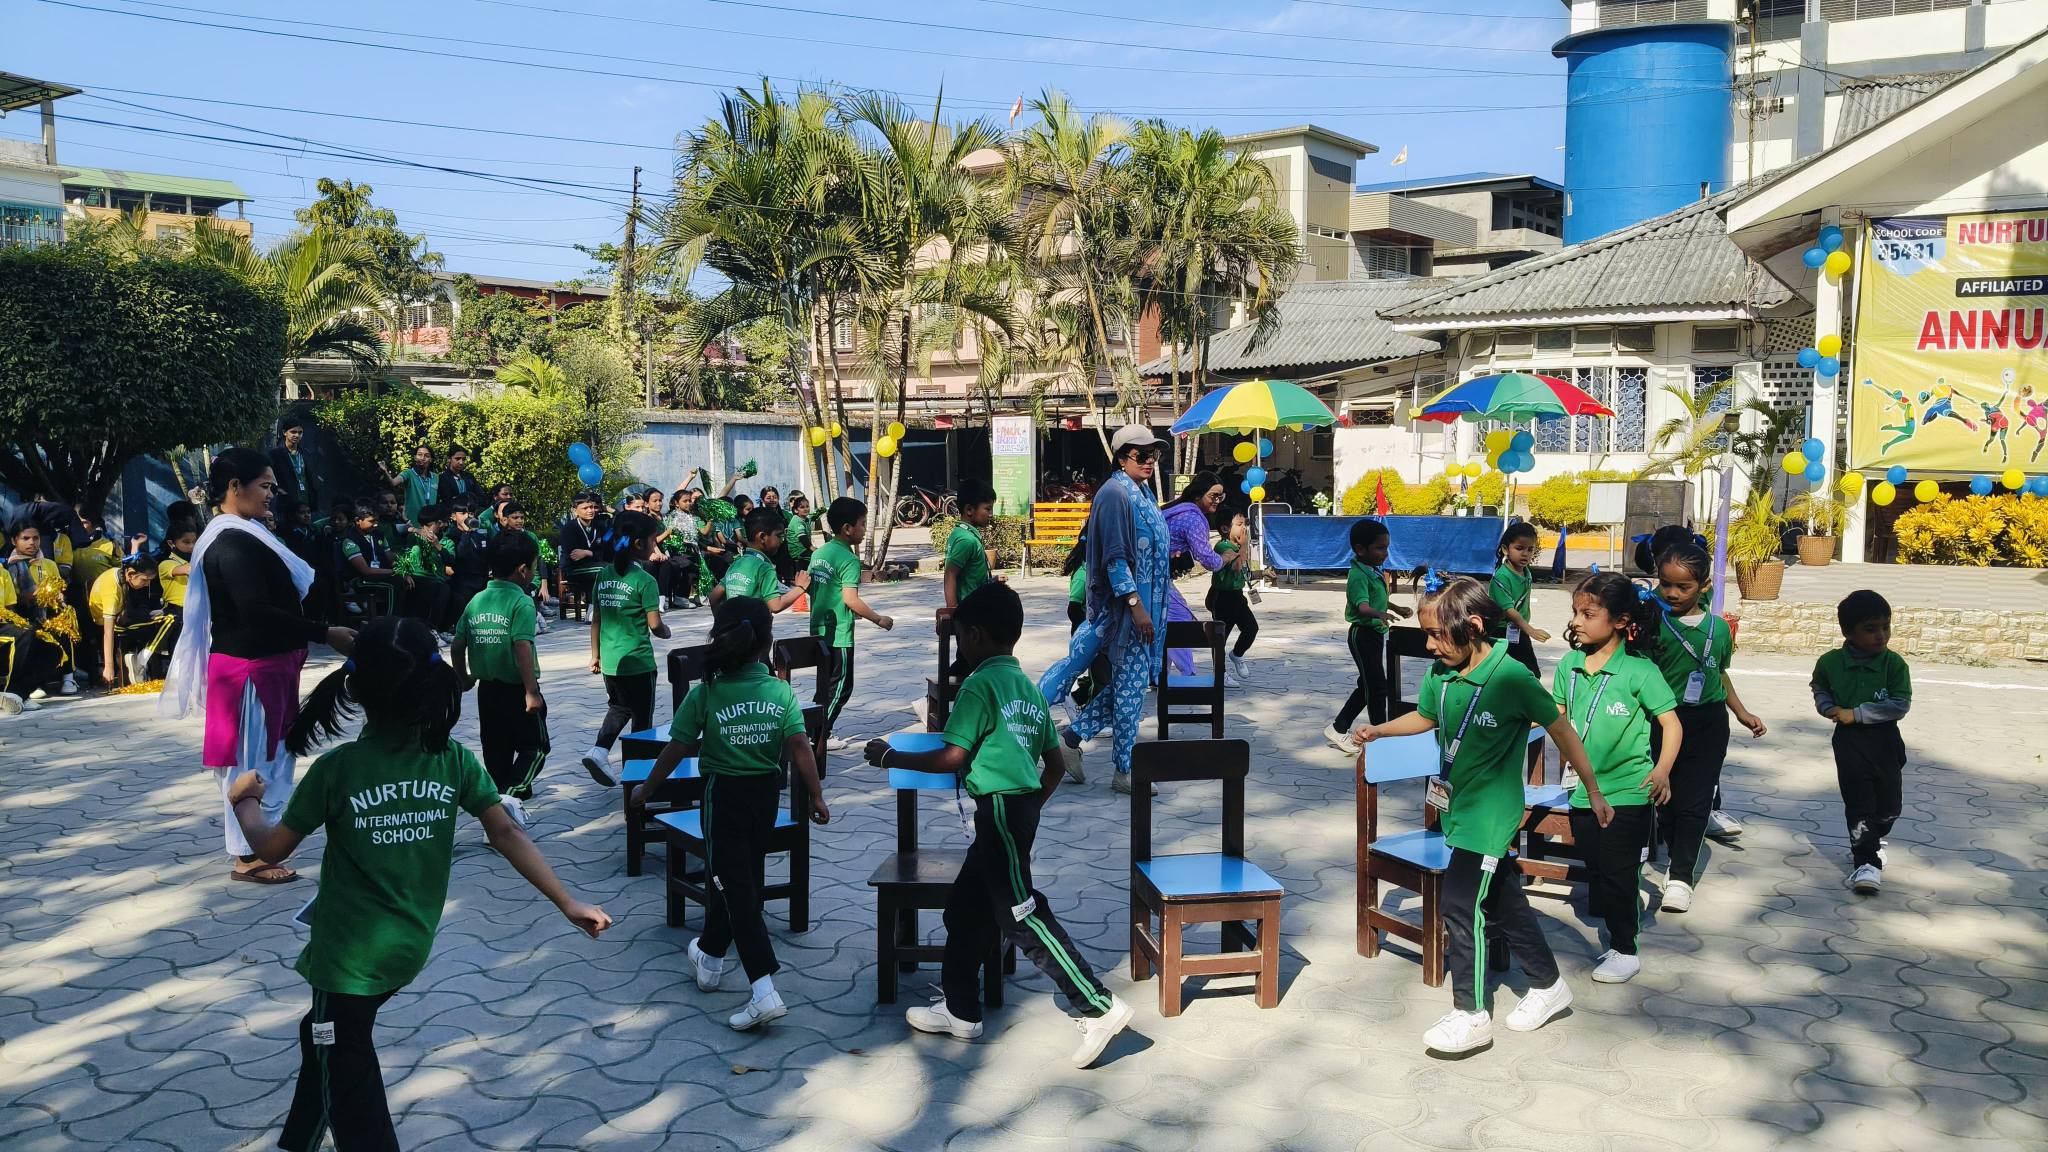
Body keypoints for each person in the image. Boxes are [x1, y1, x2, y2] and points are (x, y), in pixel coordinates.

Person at [226, 614, 609, 1152]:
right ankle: (299, 1142)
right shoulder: (452, 761)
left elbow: (270, 850)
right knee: (323, 1037)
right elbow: (506, 832)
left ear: (356, 689)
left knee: (347, 1073)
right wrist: (567, 902)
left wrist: (244, 801)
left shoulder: (339, 769)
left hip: (348, 958)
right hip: (407, 944)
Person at [864, 582, 1135, 1068]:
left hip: (1001, 812)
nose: (960, 648)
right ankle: (960, 1010)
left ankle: (1098, 1006)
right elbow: (1055, 764)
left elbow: (953, 756)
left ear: (975, 635)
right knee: (965, 910)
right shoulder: (1028, 689)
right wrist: (1030, 806)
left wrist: (890, 756)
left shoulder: (980, 685)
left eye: (961, 637)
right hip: (1014, 812)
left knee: (1021, 913)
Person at [1354, 576, 1611, 1055]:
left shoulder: (1512, 678)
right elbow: (1427, 718)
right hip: (1460, 808)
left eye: (1437, 635)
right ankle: (1549, 985)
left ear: (1472, 626)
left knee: (1459, 904)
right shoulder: (1441, 673)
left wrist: (1592, 790)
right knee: (1502, 899)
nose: (1429, 646)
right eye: (1427, 635)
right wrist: (1380, 730)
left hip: (1491, 815)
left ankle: (1470, 1014)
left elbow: (1562, 731)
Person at [159, 447, 356, 885]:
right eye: (265, 486)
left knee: (273, 756)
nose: (271, 495)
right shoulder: (230, 543)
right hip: (249, 672)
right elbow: (256, 610)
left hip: (268, 665)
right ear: (235, 486)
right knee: (251, 762)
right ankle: (248, 855)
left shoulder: (247, 533)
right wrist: (324, 632)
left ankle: (261, 840)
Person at [630, 595, 827, 1031]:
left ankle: (764, 990)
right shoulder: (779, 691)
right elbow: (800, 746)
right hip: (766, 798)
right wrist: (816, 796)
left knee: (737, 889)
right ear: (767, 643)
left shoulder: (707, 693)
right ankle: (710, 954)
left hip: (723, 799)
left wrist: (647, 788)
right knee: (739, 879)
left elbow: (676, 748)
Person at [1553, 571, 1679, 984]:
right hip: (1582, 790)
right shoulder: (1570, 665)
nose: (1576, 621)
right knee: (1596, 864)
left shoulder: (1641, 672)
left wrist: (1662, 770)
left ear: (1621, 621)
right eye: (1575, 612)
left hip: (1629, 790)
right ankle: (1616, 911)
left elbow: (1672, 725)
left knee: (1618, 872)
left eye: (1588, 614)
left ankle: (1625, 949)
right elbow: (1556, 717)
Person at [1041, 426, 1173, 796]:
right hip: (1125, 615)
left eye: (1154, 455)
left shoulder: (1142, 492)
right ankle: (1124, 770)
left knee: (1126, 688)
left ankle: (1070, 740)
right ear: (1121, 457)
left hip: (1140, 613)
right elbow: (1116, 559)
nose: (1149, 461)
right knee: (1126, 690)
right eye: (1141, 455)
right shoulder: (1116, 494)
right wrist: (1136, 607)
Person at [1648, 540, 1766, 914]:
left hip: (1708, 723)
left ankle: (1681, 877)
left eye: (1683, 586)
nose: (1672, 593)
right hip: (1662, 722)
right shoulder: (1653, 625)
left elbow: (1718, 673)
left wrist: (1741, 712)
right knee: (1664, 798)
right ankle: (1674, 851)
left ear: (1704, 586)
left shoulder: (1719, 629)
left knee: (1696, 800)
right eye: (1666, 584)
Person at [1811, 589, 1911, 896]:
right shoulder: (1830, 662)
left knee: (1890, 806)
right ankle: (1866, 863)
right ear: (1848, 632)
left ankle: (1874, 837)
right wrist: (1827, 706)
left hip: (1886, 741)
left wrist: (1856, 714)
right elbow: (1819, 686)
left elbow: (1900, 704)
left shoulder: (1894, 664)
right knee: (1859, 804)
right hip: (1849, 743)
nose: (1881, 635)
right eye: (1870, 629)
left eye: (1886, 627)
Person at [453, 532, 548, 816]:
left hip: (487, 691)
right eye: (534, 566)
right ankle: (510, 797)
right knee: (536, 748)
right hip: (518, 690)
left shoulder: (477, 600)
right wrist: (531, 691)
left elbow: (457, 644)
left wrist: (463, 677)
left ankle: (499, 807)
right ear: (523, 569)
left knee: (496, 751)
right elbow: (522, 646)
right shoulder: (522, 602)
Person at [580, 510, 670, 787]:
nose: (655, 545)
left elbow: (596, 619)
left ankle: (599, 751)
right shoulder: (645, 580)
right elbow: (655, 625)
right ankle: (637, 776)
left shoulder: (603, 575)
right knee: (642, 721)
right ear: (638, 544)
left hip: (610, 661)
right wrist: (666, 631)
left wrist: (595, 655)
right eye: (653, 540)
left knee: (619, 707)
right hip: (638, 662)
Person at [806, 496, 894, 749]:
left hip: (818, 630)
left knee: (824, 686)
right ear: (847, 528)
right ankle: (820, 736)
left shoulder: (820, 553)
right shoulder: (849, 559)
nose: (865, 529)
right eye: (863, 524)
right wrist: (879, 619)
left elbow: (814, 588)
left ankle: (814, 730)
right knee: (842, 687)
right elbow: (851, 599)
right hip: (839, 634)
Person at [1325, 519, 1410, 754]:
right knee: (1377, 688)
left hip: (1375, 634)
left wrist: (1395, 608)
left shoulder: (1372, 570)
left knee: (1368, 685)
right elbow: (1363, 606)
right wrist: (1379, 614)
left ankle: (1338, 728)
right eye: (1380, 548)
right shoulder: (1358, 575)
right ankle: (1378, 737)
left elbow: (1378, 599)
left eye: (1386, 547)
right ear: (1360, 549)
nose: (1385, 553)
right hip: (1362, 635)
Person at [1159, 474, 1232, 678]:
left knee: (1165, 622)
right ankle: (1188, 674)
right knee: (1179, 621)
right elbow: (1208, 560)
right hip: (1153, 578)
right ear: (1198, 495)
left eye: (1220, 496)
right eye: (1213, 496)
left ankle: (1157, 675)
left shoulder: (1174, 510)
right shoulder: (1193, 518)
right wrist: (1225, 558)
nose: (1217, 500)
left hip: (1151, 575)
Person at [3, 520, 78, 696]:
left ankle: (68, 676)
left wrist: (57, 596)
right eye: (25, 538)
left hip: (47, 611)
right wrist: (43, 592)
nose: (32, 543)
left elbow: (58, 588)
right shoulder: (10, 566)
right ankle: (32, 684)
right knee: (30, 631)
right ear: (14, 541)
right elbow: (16, 598)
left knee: (64, 619)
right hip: (23, 612)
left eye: (35, 538)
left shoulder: (49, 564)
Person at [91, 554, 177, 685]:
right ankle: (141, 661)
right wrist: (108, 667)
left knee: (162, 616)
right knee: (170, 619)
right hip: (112, 624)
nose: (147, 584)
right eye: (145, 580)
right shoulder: (112, 591)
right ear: (131, 574)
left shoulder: (122, 575)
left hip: (123, 615)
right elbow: (108, 632)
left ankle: (142, 660)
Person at [711, 506, 810, 614]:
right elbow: (775, 606)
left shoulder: (737, 563)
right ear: (762, 537)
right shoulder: (764, 567)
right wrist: (800, 588)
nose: (781, 541)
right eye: (779, 536)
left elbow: (713, 597)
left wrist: (721, 621)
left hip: (732, 623)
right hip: (753, 624)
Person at [1205, 510, 1257, 687]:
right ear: (1226, 528)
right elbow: (1236, 567)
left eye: (1245, 524)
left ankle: (1237, 654)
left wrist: (1262, 573)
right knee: (1220, 638)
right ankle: (1220, 674)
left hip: (1237, 596)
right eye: (1239, 525)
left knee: (1251, 628)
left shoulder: (1238, 548)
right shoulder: (1223, 546)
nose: (1244, 529)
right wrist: (1244, 546)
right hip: (1222, 598)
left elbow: (1244, 573)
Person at [1490, 522, 1546, 676]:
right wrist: (1531, 631)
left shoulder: (1526, 572)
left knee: (1529, 674)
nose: (1525, 554)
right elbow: (1509, 610)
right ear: (1505, 549)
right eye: (1519, 548)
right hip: (1501, 632)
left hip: (1519, 630)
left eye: (1530, 549)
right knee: (1516, 674)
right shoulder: (1501, 577)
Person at [340, 502, 408, 619]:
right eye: (371, 521)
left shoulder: (379, 535)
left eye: (377, 521)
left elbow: (390, 559)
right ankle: (390, 621)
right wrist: (395, 572)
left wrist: (404, 570)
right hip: (360, 580)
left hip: (378, 576)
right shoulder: (350, 540)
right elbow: (365, 571)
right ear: (358, 521)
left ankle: (404, 619)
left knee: (407, 582)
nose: (376, 524)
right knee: (393, 585)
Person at [396, 504, 456, 635]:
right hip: (416, 577)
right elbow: (403, 557)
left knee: (447, 592)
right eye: (423, 526)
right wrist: (405, 574)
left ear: (440, 524)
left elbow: (451, 561)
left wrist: (437, 545)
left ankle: (434, 630)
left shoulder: (447, 542)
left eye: (429, 526)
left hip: (437, 580)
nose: (425, 530)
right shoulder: (414, 538)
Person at [944, 478, 998, 611]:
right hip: (970, 610)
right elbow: (950, 575)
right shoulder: (967, 540)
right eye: (987, 509)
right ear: (969, 510)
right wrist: (953, 611)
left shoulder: (960, 532)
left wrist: (992, 581)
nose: (991, 514)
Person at [559, 490, 608, 610]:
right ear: (574, 510)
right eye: (585, 508)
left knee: (610, 568)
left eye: (591, 507)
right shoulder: (569, 528)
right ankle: (593, 610)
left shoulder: (599, 526)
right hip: (574, 569)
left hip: (596, 564)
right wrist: (595, 554)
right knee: (604, 569)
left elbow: (606, 551)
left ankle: (608, 606)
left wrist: (587, 552)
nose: (590, 511)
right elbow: (574, 556)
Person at [661, 487, 704, 610]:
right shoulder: (672, 516)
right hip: (676, 550)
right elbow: (670, 535)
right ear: (676, 503)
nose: (688, 503)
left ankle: (683, 597)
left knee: (696, 563)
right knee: (687, 563)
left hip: (691, 549)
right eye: (685, 501)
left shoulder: (692, 517)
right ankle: (677, 596)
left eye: (690, 500)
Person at [379, 443, 440, 526]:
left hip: (431, 524)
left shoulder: (436, 477)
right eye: (419, 455)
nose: (422, 458)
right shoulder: (408, 473)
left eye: (426, 456)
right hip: (412, 523)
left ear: (431, 459)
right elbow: (393, 483)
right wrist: (385, 471)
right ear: (415, 457)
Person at [269, 412, 317, 510]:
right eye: (293, 432)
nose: (297, 435)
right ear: (284, 432)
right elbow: (269, 478)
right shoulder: (275, 454)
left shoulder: (306, 454)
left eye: (300, 432)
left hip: (306, 502)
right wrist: (280, 491)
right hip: (286, 504)